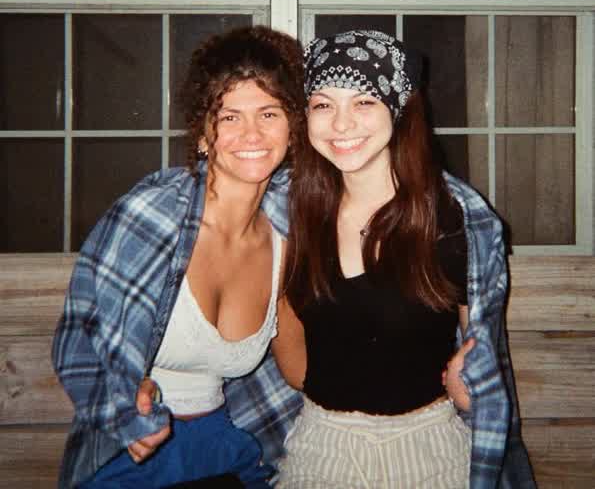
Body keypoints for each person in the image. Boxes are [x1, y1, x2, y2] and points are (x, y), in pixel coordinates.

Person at [271, 30, 536, 488]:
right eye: (323, 105)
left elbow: (479, 356)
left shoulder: (455, 220)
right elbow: (293, 362)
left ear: (398, 109)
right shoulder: (287, 213)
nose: (341, 124)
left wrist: (473, 387)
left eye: (364, 102)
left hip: (430, 450)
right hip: (320, 448)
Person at [51, 25, 305, 488]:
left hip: (230, 448)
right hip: (134, 451)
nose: (252, 133)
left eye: (269, 113)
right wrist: (125, 401)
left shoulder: (290, 230)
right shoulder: (152, 215)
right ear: (203, 133)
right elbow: (78, 338)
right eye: (230, 116)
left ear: (292, 128)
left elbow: (303, 371)